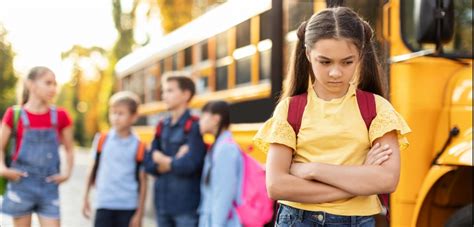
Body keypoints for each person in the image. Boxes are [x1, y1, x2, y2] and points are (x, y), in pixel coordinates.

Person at [253, 7, 411, 226]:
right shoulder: (290, 110)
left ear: (360, 55)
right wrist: (359, 178)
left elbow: (386, 180)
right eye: (325, 62)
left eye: (347, 62)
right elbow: (277, 186)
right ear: (308, 54)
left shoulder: (377, 109)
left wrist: (311, 170)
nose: (336, 73)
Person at [0, 66, 74, 227]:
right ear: (31, 85)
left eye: (55, 84)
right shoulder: (14, 114)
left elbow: (69, 148)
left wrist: (67, 173)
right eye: (48, 83)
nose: (53, 88)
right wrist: (3, 169)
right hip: (21, 184)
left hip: (49, 186)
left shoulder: (61, 116)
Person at [144, 72, 207, 227]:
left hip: (185, 208)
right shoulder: (161, 126)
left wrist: (164, 160)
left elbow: (191, 164)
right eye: (164, 91)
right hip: (162, 204)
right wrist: (175, 161)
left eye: (170, 91)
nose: (164, 95)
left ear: (186, 95)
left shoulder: (194, 126)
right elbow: (149, 164)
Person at [82, 91, 147, 227]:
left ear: (134, 117)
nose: (116, 117)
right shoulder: (101, 140)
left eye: (121, 113)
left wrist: (139, 214)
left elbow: (143, 181)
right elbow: (92, 169)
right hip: (104, 203)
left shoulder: (139, 146)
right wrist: (85, 198)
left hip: (128, 206)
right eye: (113, 113)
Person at [197, 101, 243, 227]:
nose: (199, 121)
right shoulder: (219, 146)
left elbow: (224, 194)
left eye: (203, 116)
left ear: (216, 119)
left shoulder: (226, 149)